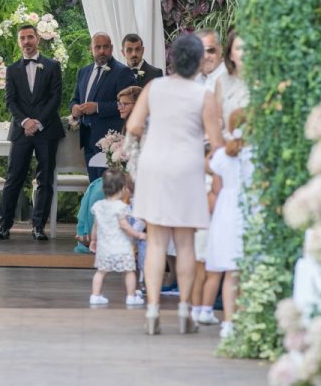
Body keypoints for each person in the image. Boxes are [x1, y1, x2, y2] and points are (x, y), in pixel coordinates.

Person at [127, 34, 224, 335]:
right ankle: (184, 311)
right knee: (184, 242)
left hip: (155, 165)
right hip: (187, 166)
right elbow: (217, 141)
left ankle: (153, 311)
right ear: (197, 61)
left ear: (171, 60)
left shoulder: (154, 87)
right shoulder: (203, 96)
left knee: (156, 240)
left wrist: (153, 137)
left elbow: (133, 126)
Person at [0, 25, 65, 241]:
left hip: (47, 131)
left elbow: (55, 99)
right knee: (14, 178)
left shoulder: (53, 66)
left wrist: (38, 122)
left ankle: (38, 227)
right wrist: (25, 122)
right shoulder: (13, 69)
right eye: (22, 38)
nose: (27, 41)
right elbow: (10, 101)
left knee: (45, 180)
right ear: (18, 42)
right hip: (21, 131)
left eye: (30, 37)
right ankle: (4, 226)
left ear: (38, 39)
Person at [74, 85, 142, 252]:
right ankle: (90, 234)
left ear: (138, 105)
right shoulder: (127, 125)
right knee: (94, 186)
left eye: (125, 104)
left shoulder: (141, 128)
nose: (120, 107)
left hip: (140, 178)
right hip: (127, 175)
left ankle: (100, 239)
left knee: (101, 190)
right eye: (119, 103)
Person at [189, 28, 227, 325]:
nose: (207, 56)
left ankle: (212, 299)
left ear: (221, 51)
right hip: (197, 168)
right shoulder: (196, 81)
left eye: (211, 50)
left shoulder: (226, 83)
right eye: (202, 51)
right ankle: (202, 300)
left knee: (216, 233)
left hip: (219, 167)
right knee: (201, 236)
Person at [206, 109, 252, 340]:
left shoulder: (223, 155)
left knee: (230, 270)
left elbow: (215, 188)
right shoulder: (257, 154)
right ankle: (246, 317)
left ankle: (228, 322)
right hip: (249, 208)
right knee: (247, 267)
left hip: (226, 208)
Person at [70, 32, 136, 182]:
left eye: (105, 47)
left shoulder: (122, 72)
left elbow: (127, 104)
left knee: (107, 187)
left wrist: (98, 107)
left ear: (112, 48)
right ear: (90, 49)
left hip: (110, 141)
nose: (102, 51)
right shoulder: (83, 72)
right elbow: (75, 99)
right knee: (93, 185)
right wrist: (74, 108)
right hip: (87, 138)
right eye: (97, 47)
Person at [88, 168, 146, 307]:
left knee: (101, 272)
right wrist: (138, 234)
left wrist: (93, 241)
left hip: (104, 247)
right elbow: (125, 226)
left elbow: (95, 226)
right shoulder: (121, 207)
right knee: (129, 272)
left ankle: (95, 295)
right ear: (122, 189)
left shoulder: (99, 206)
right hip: (121, 247)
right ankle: (131, 296)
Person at [215, 30, 249, 136]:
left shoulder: (263, 80)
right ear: (230, 55)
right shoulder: (221, 81)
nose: (244, 53)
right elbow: (218, 121)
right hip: (229, 146)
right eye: (238, 49)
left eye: (247, 48)